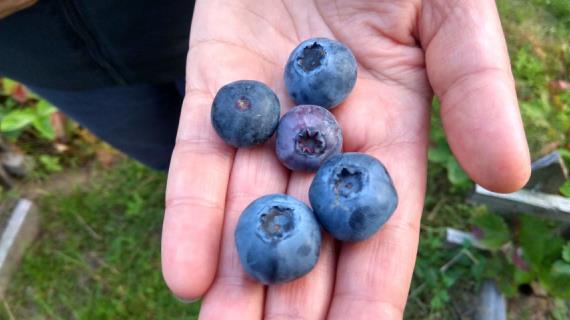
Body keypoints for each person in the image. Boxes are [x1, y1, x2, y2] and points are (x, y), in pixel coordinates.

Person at [1, 1, 531, 318]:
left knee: (199, 141)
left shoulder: (304, 121)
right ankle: (164, 164)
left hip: (193, 14)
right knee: (168, 145)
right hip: (46, 53)